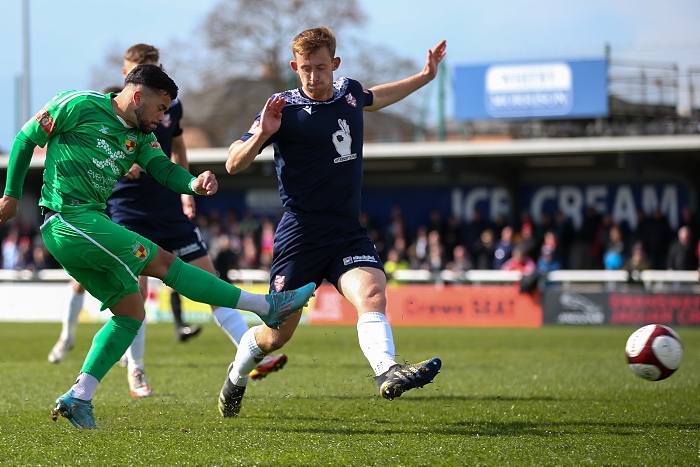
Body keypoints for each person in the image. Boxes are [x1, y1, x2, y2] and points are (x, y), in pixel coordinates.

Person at [0, 64, 316, 429]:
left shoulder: (141, 136)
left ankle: (79, 397)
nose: (163, 118)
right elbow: (25, 138)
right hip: (69, 219)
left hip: (86, 226)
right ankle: (266, 306)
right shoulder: (77, 104)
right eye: (161, 108)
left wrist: (194, 183)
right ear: (137, 96)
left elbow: (164, 170)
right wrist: (10, 196)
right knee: (163, 261)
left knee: (131, 313)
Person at [219, 26, 445, 417]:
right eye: (305, 68)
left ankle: (386, 371)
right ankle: (235, 378)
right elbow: (232, 162)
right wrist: (262, 135)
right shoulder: (280, 108)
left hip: (345, 231)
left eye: (321, 67)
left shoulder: (350, 93)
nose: (313, 76)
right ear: (295, 66)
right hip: (300, 236)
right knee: (276, 336)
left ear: (335, 64)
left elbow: (379, 96)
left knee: (373, 291)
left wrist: (425, 77)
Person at [46, 44, 289, 399]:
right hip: (122, 208)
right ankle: (135, 368)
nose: (162, 114)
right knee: (139, 289)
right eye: (142, 67)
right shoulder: (99, 107)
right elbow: (42, 140)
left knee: (202, 280)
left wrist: (189, 187)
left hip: (166, 204)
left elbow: (174, 152)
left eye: (154, 66)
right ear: (129, 79)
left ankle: (247, 347)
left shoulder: (167, 108)